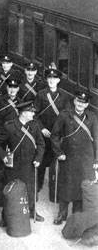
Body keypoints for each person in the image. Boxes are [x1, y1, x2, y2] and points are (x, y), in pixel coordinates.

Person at [0, 101, 46, 226]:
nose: (33, 114)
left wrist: (38, 158)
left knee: (30, 189)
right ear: (23, 113)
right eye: (31, 112)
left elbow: (41, 144)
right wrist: (3, 156)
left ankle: (32, 212)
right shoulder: (9, 126)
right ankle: (5, 216)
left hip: (29, 163)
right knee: (10, 190)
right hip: (13, 164)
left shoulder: (35, 125)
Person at [51, 90, 98, 225]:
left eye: (83, 103)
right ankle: (62, 214)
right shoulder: (64, 115)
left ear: (87, 104)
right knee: (66, 185)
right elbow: (55, 136)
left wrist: (96, 160)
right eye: (78, 101)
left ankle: (76, 215)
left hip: (85, 159)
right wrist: (59, 153)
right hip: (68, 157)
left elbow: (96, 139)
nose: (80, 104)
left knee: (81, 186)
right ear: (74, 101)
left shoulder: (92, 117)